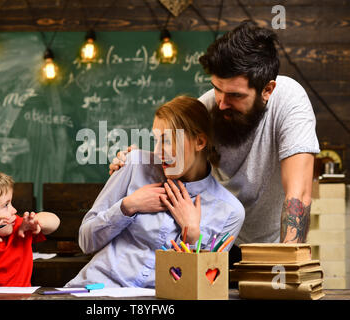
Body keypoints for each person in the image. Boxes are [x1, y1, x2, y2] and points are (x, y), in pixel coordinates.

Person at [109, 21, 320, 266]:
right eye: (217, 89)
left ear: (267, 90)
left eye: (235, 95)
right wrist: (135, 162)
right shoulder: (207, 107)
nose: (220, 103)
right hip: (214, 240)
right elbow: (173, 160)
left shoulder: (290, 102)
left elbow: (299, 193)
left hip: (270, 247)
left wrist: (288, 265)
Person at [66, 96, 244, 288]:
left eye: (166, 141)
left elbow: (204, 286)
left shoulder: (230, 212)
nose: (158, 151)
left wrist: (192, 236)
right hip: (96, 288)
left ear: (199, 142)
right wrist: (128, 206)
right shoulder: (135, 164)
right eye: (156, 140)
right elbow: (86, 242)